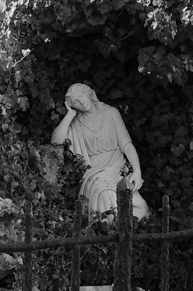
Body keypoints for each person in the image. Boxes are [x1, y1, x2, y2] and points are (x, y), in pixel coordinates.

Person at [51, 83, 148, 219]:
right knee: (105, 195)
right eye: (75, 102)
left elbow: (126, 145)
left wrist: (137, 171)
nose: (81, 102)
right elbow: (56, 140)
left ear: (89, 93)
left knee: (139, 208)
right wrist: (69, 115)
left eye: (81, 96)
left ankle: (131, 234)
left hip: (117, 166)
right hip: (95, 172)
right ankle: (108, 233)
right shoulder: (76, 123)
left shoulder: (111, 112)